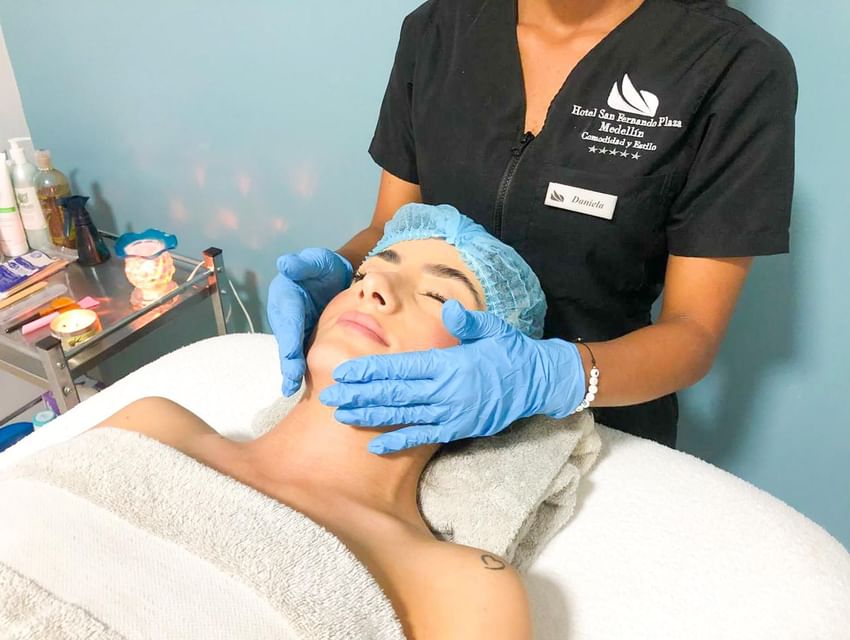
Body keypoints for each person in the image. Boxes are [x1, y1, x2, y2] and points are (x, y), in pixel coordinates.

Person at [268, 0, 798, 450]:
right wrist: (341, 269)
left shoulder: (731, 67)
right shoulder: (439, 30)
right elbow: (391, 226)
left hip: (597, 428)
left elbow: (693, 333)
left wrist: (552, 377)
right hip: (414, 397)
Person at [92, 205, 544, 639]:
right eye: (366, 273)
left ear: (489, 384)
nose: (373, 287)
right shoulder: (152, 425)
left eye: (438, 296)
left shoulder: (460, 589)